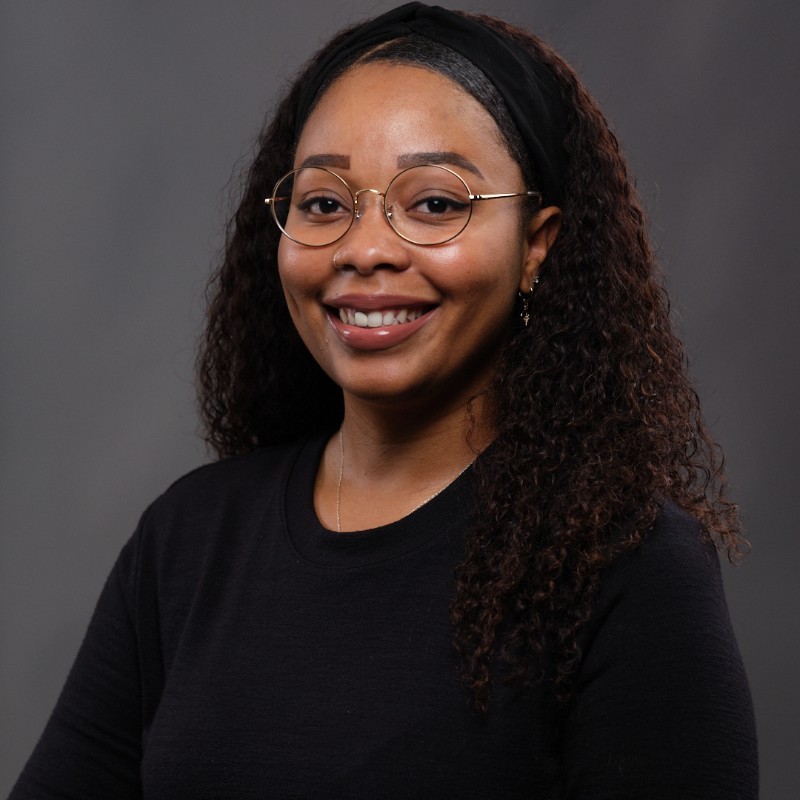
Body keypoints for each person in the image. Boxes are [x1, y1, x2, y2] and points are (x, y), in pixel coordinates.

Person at [10, 3, 758, 798]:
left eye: (436, 203)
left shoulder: (625, 564)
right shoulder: (190, 541)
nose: (365, 249)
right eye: (325, 204)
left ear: (537, 245)